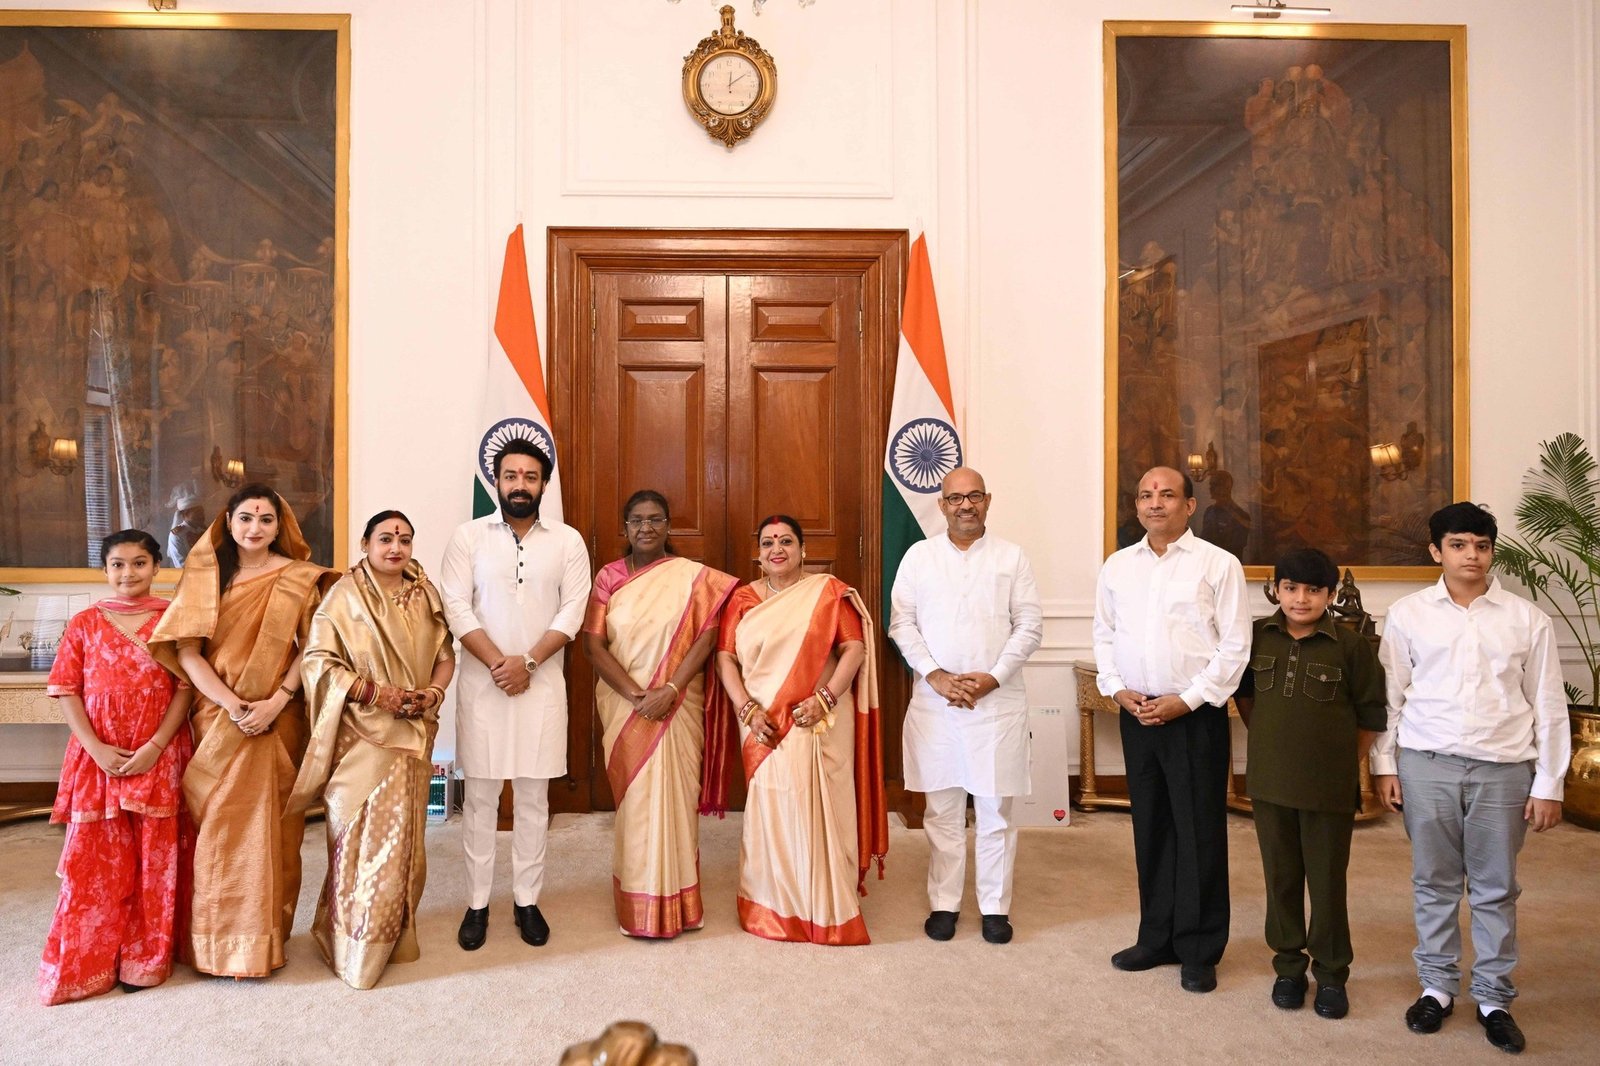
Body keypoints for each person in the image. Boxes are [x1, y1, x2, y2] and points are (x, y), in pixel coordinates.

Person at [1372, 502, 1571, 1054]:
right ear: (1436, 551)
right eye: (1459, 545)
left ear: (1491, 551)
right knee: (1433, 881)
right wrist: (1385, 765)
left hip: (1503, 769)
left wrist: (1549, 783)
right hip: (1426, 763)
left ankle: (1493, 998)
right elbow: (1390, 697)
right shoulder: (1408, 615)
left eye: (1482, 546)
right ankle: (1436, 988)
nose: (1472, 556)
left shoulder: (1527, 619)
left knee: (1495, 886)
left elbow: (1549, 704)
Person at [149, 482, 336, 977]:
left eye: (266, 519)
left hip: (279, 716)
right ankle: (216, 945)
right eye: (246, 518)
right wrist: (233, 705)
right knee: (220, 828)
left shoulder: (301, 578)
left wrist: (276, 701)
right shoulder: (206, 576)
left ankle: (265, 939)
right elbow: (187, 651)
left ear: (280, 526)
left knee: (275, 828)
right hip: (219, 715)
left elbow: (312, 649)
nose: (255, 528)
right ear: (228, 523)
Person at [1093, 465, 1251, 993]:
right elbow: (1104, 634)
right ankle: (1156, 937)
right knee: (1152, 828)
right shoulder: (1118, 566)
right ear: (1137, 506)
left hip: (1194, 717)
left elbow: (1234, 647)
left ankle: (1199, 949)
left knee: (1198, 831)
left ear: (1189, 505)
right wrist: (1117, 689)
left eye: (1166, 494)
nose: (1154, 503)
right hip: (1138, 714)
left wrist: (1186, 701)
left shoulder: (1218, 564)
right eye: (1145, 495)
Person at [288, 511, 456, 988]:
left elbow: (445, 657)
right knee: (355, 839)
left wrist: (433, 694)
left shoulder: (425, 594)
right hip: (360, 734)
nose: (395, 547)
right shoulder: (344, 595)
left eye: (405, 539)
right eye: (385, 538)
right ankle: (351, 944)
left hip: (413, 729)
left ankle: (390, 938)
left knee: (402, 840)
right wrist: (375, 694)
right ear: (365, 543)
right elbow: (318, 662)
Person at [440, 438, 591, 951]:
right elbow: (456, 606)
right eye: (511, 476)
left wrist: (526, 663)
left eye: (530, 476)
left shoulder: (568, 541)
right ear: (496, 482)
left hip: (541, 687)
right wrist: (497, 664)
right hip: (483, 688)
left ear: (544, 484)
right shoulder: (468, 537)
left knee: (532, 799)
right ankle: (477, 904)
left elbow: (573, 611)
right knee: (480, 801)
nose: (520, 485)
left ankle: (527, 900)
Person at [713, 514, 888, 945]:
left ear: (803, 549)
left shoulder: (827, 592)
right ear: (758, 554)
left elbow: (854, 648)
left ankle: (826, 901)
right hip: (764, 724)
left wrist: (825, 698)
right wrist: (747, 708)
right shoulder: (743, 599)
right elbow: (725, 658)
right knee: (773, 808)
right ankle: (772, 903)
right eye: (768, 542)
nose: (777, 549)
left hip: (819, 722)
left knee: (823, 807)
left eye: (786, 541)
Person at [39, 529, 194, 1004]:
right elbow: (67, 690)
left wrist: (155, 746)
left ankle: (146, 959)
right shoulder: (85, 623)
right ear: (105, 570)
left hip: (160, 752)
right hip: (97, 757)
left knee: (155, 859)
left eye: (140, 563)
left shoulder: (174, 619)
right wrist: (97, 749)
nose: (129, 573)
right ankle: (89, 961)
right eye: (118, 565)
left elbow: (186, 689)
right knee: (97, 861)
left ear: (157, 567)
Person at [889, 467, 1042, 945]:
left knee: (996, 810)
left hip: (996, 703)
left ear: (987, 501)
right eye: (955, 498)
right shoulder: (919, 557)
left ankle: (995, 907)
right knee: (942, 810)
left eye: (974, 496)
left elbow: (1029, 626)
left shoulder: (1012, 557)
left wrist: (992, 677)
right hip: (936, 703)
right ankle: (945, 903)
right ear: (942, 505)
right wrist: (936, 676)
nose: (965, 505)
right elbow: (902, 624)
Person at [1234, 547, 1385, 1020]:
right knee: (1280, 878)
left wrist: (1339, 763)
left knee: (1326, 883)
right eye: (1291, 588)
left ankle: (1333, 974)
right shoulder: (1255, 637)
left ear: (1331, 594)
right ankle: (1288, 967)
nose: (1301, 599)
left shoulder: (1351, 647)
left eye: (1314, 590)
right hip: (1270, 783)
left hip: (1327, 790)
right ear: (1275, 590)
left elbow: (1371, 716)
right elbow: (1245, 699)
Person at [581, 490, 738, 938]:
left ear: (669, 526)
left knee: (678, 802)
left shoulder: (693, 578)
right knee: (636, 805)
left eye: (655, 519)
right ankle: (638, 906)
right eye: (636, 520)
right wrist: (637, 696)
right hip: (626, 705)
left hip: (678, 703)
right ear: (625, 527)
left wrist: (670, 689)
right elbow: (593, 644)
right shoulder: (609, 577)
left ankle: (683, 903)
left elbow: (707, 637)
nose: (645, 527)